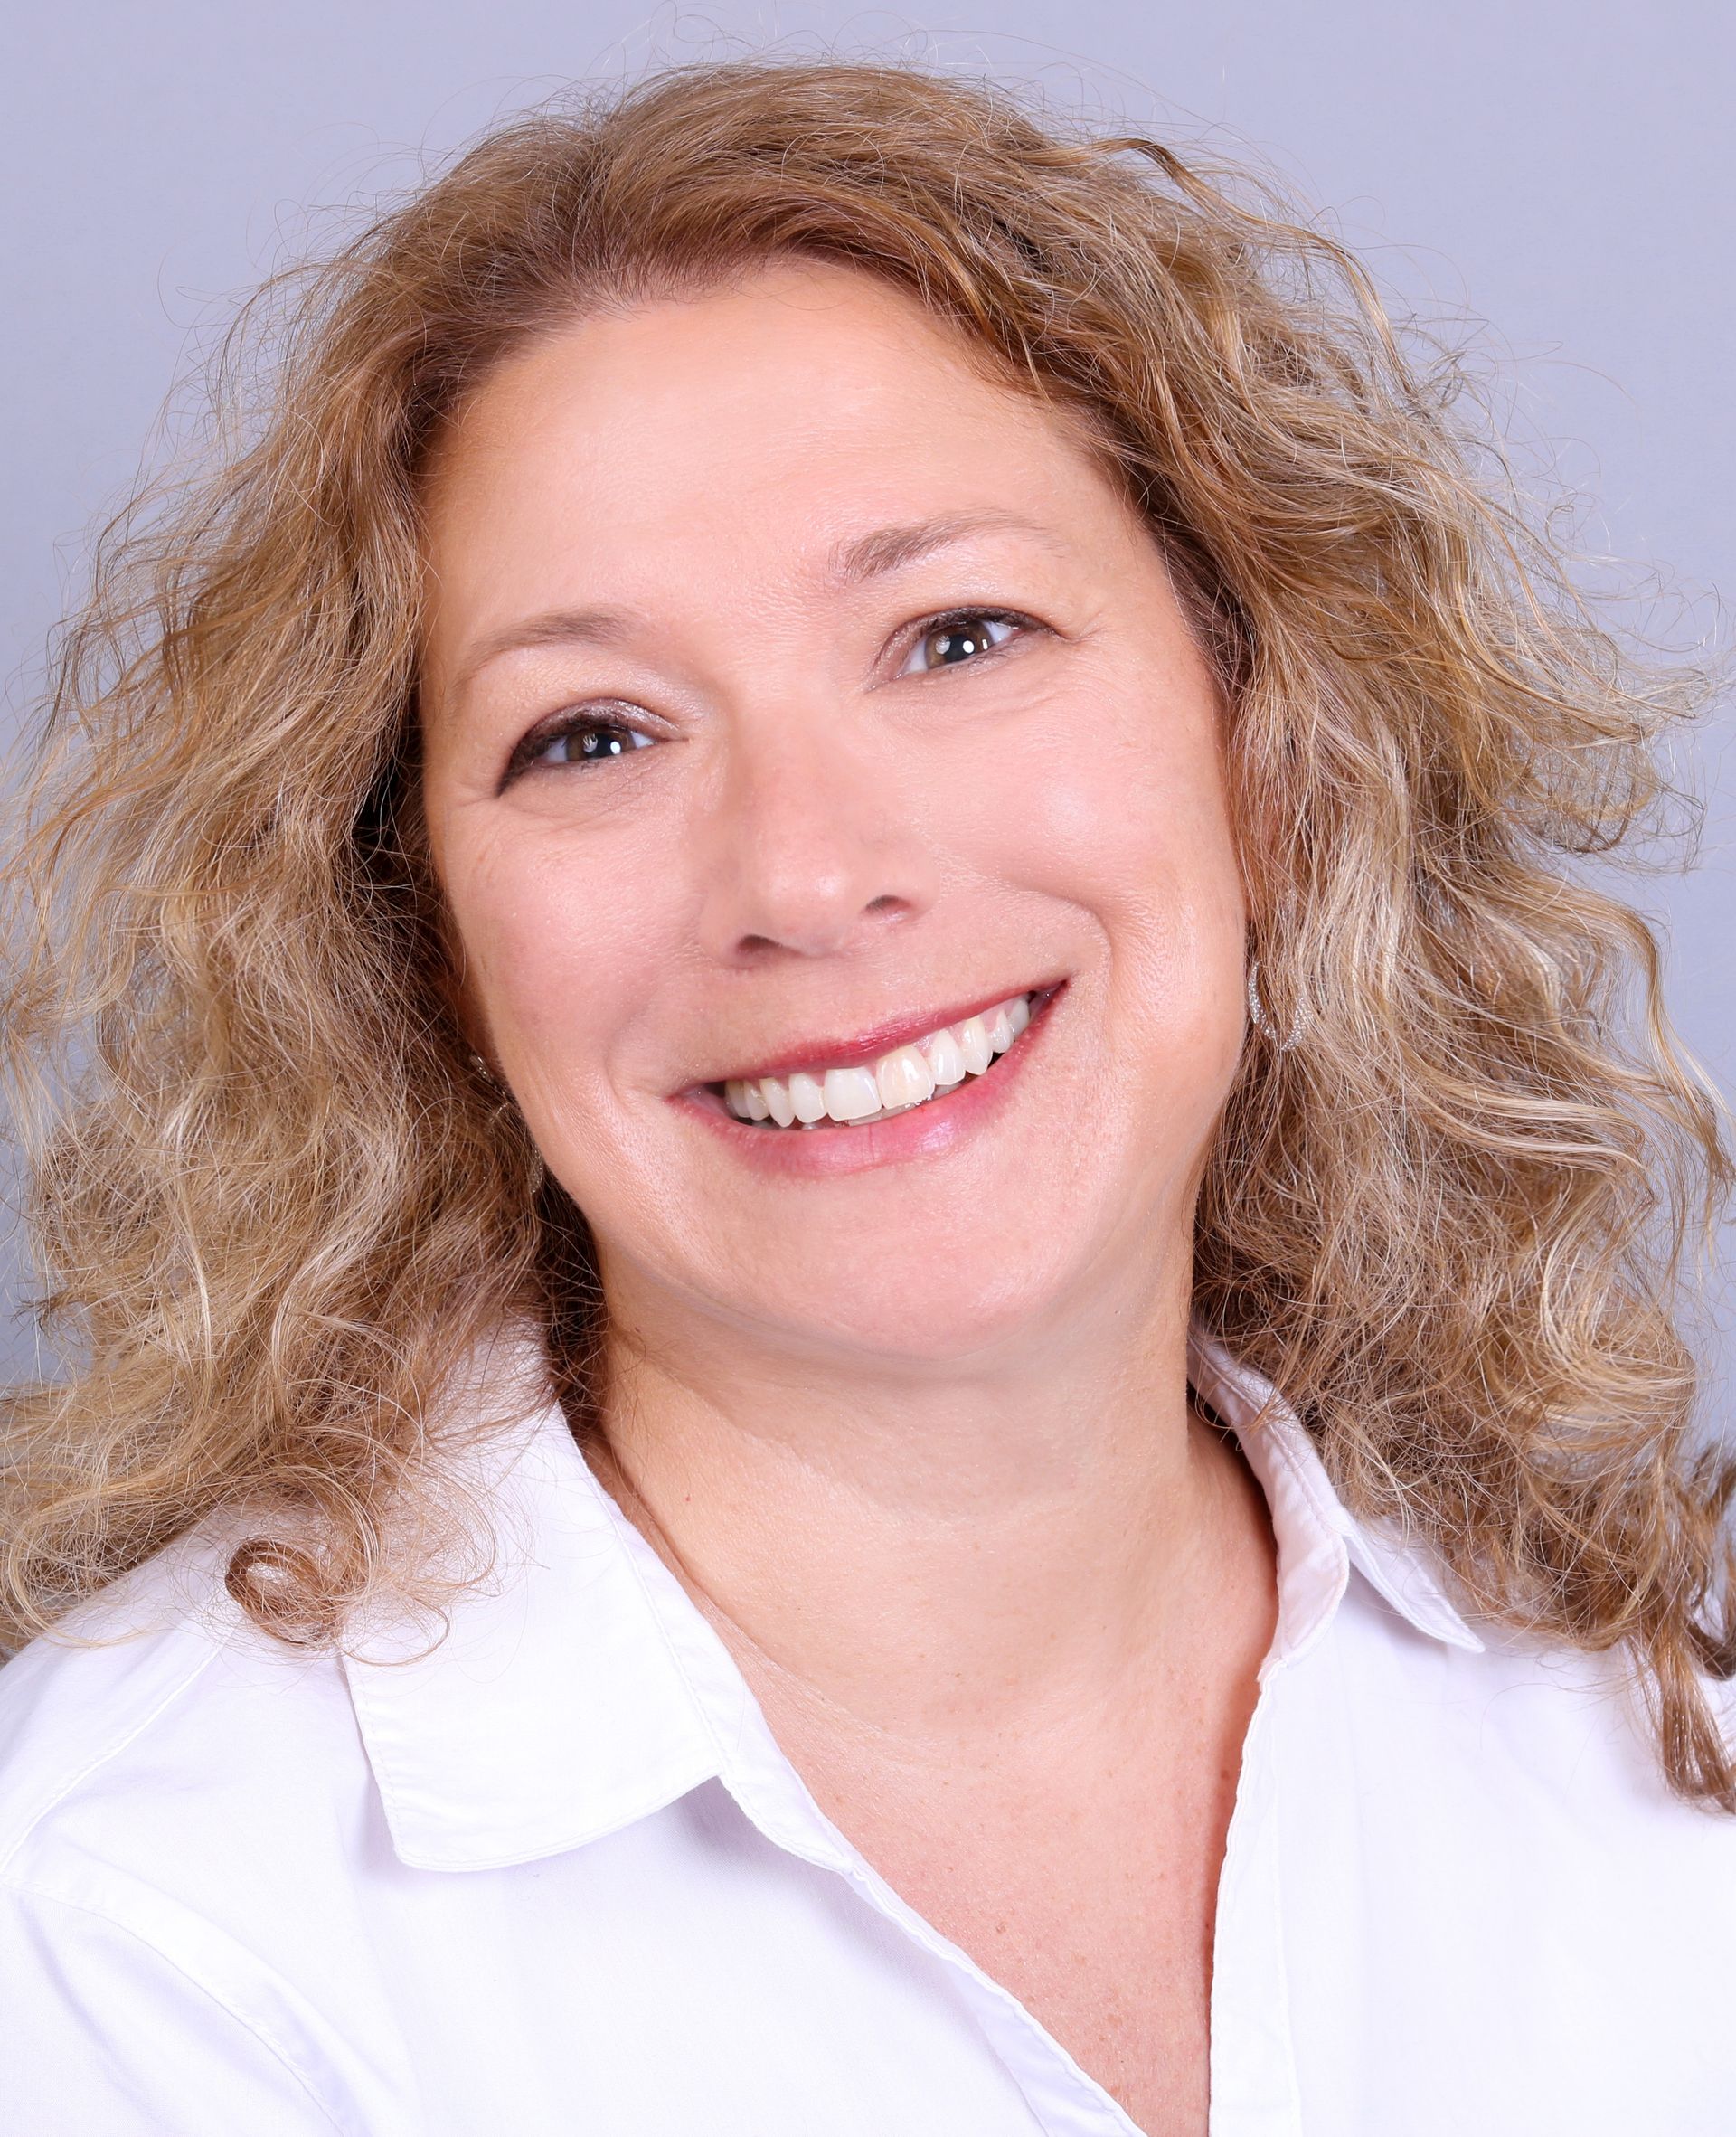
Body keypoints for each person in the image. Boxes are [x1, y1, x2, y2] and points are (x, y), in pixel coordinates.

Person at [1, 55, 1732, 2137]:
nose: (811, 876)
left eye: (957, 633)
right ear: (426, 944)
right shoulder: (135, 1932)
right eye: (591, 736)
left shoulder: (1665, 1705)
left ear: (1276, 756)